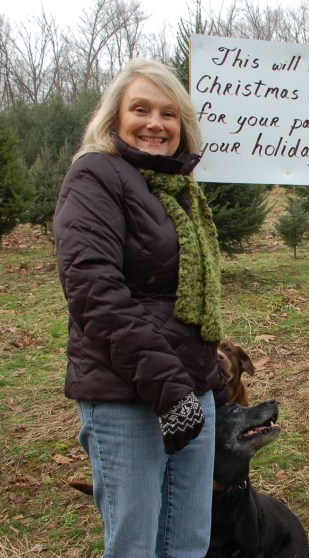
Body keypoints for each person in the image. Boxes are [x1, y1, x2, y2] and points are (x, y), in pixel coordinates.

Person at [54, 58, 225, 557]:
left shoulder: (177, 187)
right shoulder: (95, 176)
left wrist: (206, 381)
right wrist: (169, 391)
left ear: (183, 124)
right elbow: (94, 292)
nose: (156, 124)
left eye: (169, 114)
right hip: (127, 394)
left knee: (187, 542)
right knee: (135, 545)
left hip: (192, 389)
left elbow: (183, 299)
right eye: (141, 110)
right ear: (115, 117)